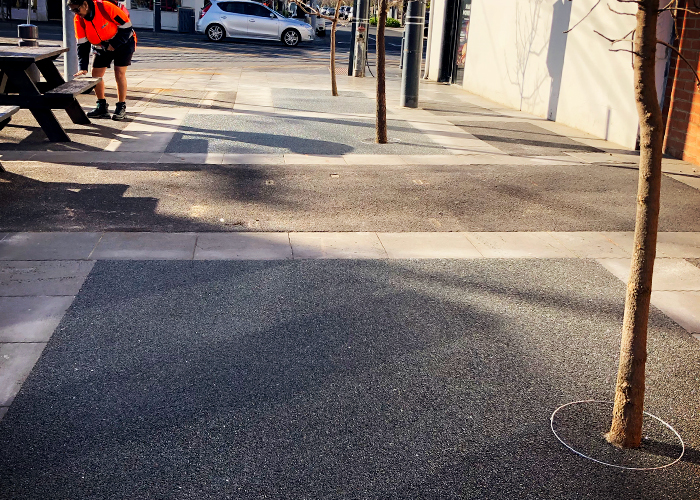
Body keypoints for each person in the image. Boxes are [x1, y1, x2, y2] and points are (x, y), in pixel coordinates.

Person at [68, 0, 136, 121]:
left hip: (124, 42)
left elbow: (127, 27)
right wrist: (82, 67)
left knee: (119, 73)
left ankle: (121, 107)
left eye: (77, 9)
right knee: (96, 75)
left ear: (85, 4)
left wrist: (114, 44)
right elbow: (82, 45)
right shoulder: (79, 20)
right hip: (101, 46)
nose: (76, 13)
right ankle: (102, 106)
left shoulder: (105, 7)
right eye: (73, 11)